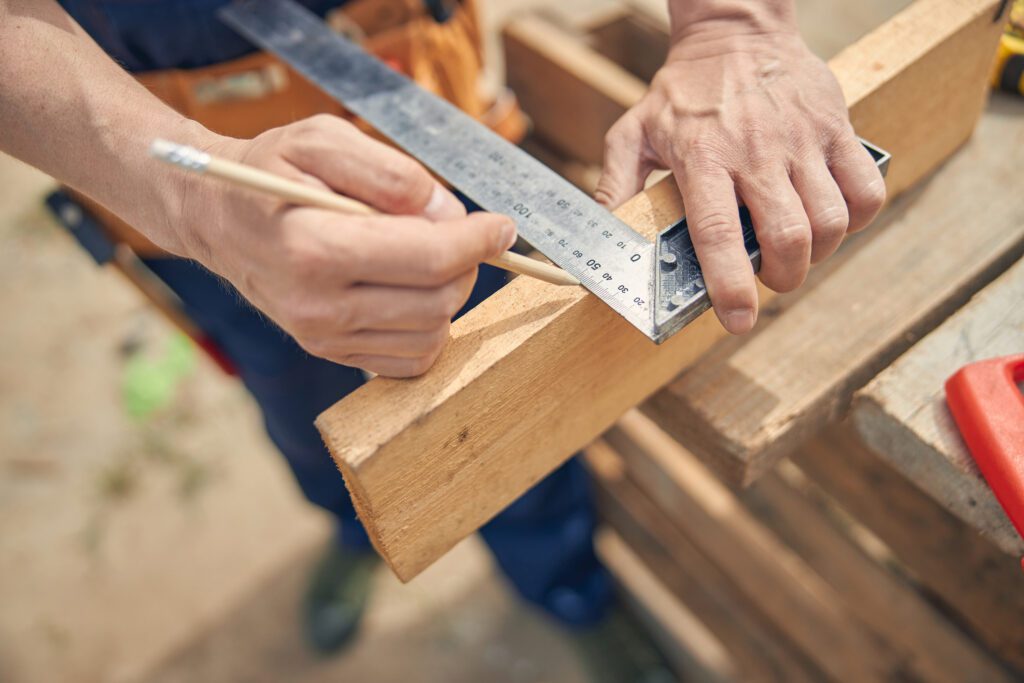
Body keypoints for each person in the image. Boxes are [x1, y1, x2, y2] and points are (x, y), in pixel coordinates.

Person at [0, 0, 885, 680]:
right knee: (305, 414)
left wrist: (732, 25)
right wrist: (188, 199)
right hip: (164, 153)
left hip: (428, 128)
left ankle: (565, 586)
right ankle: (354, 533)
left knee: (505, 421)